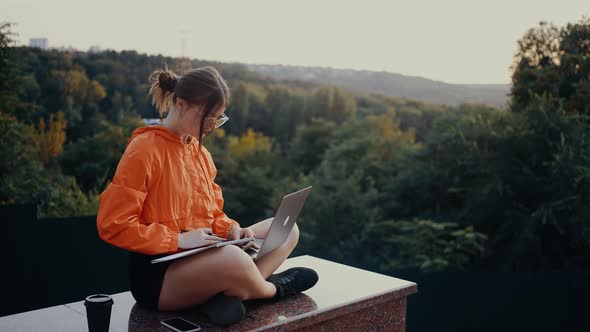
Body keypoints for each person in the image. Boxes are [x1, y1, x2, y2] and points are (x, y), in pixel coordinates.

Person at [96, 65, 318, 326]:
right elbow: (113, 225)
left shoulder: (200, 154)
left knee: (286, 229)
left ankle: (231, 293)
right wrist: (177, 240)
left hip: (207, 257)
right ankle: (272, 290)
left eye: (219, 118)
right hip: (160, 277)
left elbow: (211, 214)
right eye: (209, 117)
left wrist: (232, 231)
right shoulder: (144, 150)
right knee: (234, 260)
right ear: (181, 104)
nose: (212, 126)